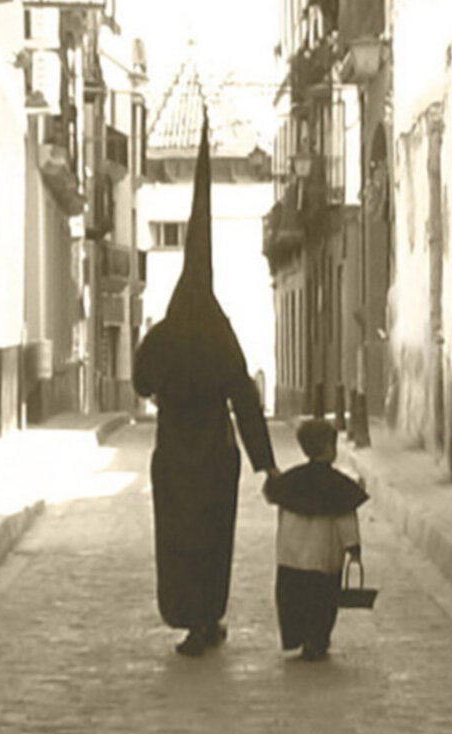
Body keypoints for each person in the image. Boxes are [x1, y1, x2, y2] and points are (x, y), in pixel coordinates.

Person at [133, 111, 278, 657]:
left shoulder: (166, 334)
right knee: (212, 539)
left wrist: (164, 395)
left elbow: (140, 380)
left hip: (174, 453)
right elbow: (243, 398)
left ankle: (189, 617)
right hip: (216, 456)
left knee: (178, 537)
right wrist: (266, 464)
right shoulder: (220, 333)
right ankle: (206, 618)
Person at [264, 419, 368, 661]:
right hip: (324, 557)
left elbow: (273, 496)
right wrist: (353, 547)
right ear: (329, 448)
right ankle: (316, 640)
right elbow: (345, 518)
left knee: (293, 600)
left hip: (291, 556)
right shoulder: (338, 486)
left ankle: (297, 638)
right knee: (322, 602)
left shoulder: (292, 481)